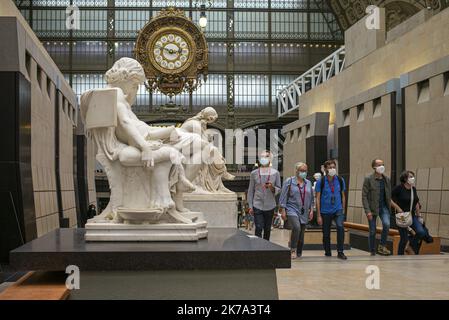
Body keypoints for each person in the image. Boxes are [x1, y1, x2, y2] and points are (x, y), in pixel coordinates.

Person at [391, 170, 431, 255]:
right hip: (402, 216)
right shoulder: (399, 188)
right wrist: (397, 208)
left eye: (413, 176)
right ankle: (400, 256)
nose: (412, 178)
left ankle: (409, 246)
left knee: (421, 232)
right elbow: (388, 199)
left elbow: (416, 202)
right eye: (410, 176)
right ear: (405, 178)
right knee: (404, 238)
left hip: (412, 216)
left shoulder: (413, 189)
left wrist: (419, 215)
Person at [279, 162, 314, 259]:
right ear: (297, 171)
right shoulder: (289, 181)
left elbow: (311, 197)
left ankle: (299, 251)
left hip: (304, 210)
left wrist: (311, 210)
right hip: (292, 209)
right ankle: (292, 249)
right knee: (296, 227)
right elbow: (283, 196)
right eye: (301, 170)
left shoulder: (308, 183)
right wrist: (283, 210)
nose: (304, 172)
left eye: (305, 171)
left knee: (301, 233)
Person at [316, 159, 347, 260]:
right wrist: (318, 215)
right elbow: (317, 198)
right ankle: (328, 251)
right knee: (326, 233)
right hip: (325, 211)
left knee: (340, 227)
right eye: (330, 168)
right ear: (325, 169)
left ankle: (340, 251)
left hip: (338, 209)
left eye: (334, 167)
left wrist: (343, 210)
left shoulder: (340, 180)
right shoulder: (321, 181)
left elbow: (343, 196)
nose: (333, 169)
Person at [247, 150, 281, 240]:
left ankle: (266, 249)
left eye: (266, 157)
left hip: (270, 205)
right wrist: (250, 206)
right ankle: (258, 249)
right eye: (262, 157)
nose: (263, 159)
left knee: (267, 229)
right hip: (257, 204)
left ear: (270, 159)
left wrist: (271, 187)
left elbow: (278, 189)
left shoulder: (275, 173)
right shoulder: (254, 173)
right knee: (258, 227)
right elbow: (250, 191)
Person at [362, 159, 392, 256]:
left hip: (384, 207)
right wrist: (368, 211)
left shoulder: (386, 179)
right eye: (379, 165)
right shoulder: (368, 179)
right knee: (372, 231)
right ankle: (372, 250)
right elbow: (364, 196)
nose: (381, 166)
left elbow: (388, 195)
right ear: (374, 167)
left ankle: (382, 246)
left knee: (387, 224)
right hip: (372, 208)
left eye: (382, 164)